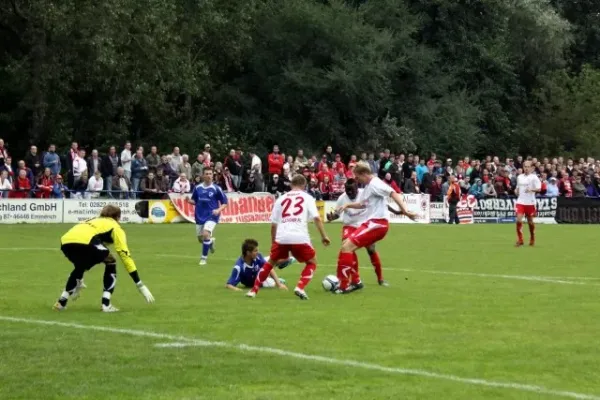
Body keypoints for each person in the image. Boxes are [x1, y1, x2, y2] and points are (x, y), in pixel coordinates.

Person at [53, 205, 155, 312]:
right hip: (86, 242)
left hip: (65, 242)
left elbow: (91, 242)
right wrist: (140, 284)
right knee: (111, 261)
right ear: (118, 217)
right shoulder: (115, 226)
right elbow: (124, 254)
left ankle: (61, 302)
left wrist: (79, 276)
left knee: (81, 267)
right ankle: (106, 304)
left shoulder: (94, 220)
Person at [335, 163, 417, 294]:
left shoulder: (375, 183)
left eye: (357, 177)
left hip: (378, 223)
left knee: (346, 247)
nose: (357, 180)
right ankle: (353, 282)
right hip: (371, 223)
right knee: (346, 245)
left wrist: (405, 211)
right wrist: (347, 205)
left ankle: (344, 286)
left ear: (364, 174)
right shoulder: (368, 187)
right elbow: (362, 204)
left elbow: (394, 194)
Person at [246, 174, 331, 300]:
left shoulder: (281, 198)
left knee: (270, 263)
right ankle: (300, 287)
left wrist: (274, 242)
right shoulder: (307, 197)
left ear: (291, 185)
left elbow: (274, 225)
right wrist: (324, 236)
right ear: (304, 185)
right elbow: (317, 218)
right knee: (312, 262)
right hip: (300, 237)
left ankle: (253, 290)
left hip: (282, 236)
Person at [327, 179, 402, 287]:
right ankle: (355, 279)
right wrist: (331, 217)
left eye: (352, 190)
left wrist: (396, 211)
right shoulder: (342, 198)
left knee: (371, 250)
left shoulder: (365, 194)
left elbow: (383, 204)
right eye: (348, 191)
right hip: (350, 226)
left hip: (365, 225)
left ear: (357, 188)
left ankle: (380, 279)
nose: (350, 193)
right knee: (347, 246)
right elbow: (337, 214)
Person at [187, 168, 228, 265]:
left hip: (212, 216)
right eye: (207, 174)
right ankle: (210, 241)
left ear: (212, 176)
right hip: (199, 216)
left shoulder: (216, 188)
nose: (209, 175)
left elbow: (225, 203)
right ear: (203, 176)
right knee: (201, 239)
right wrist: (188, 201)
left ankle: (203, 258)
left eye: (210, 174)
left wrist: (218, 210)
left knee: (205, 234)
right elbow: (195, 201)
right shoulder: (198, 188)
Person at [226, 239, 295, 291]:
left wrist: (279, 285)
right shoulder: (239, 267)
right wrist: (238, 290)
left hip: (260, 272)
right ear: (248, 253)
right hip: (262, 281)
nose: (257, 252)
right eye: (255, 251)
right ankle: (276, 279)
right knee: (271, 283)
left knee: (278, 259)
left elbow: (269, 267)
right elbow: (229, 284)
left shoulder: (257, 256)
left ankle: (288, 260)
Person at [515, 160, 541, 247]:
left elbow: (539, 189)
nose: (526, 168)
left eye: (528, 166)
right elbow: (517, 188)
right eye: (525, 166)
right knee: (518, 220)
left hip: (530, 202)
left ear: (531, 168)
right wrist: (516, 191)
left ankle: (532, 237)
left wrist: (531, 190)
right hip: (520, 201)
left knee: (530, 222)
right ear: (523, 167)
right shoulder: (519, 177)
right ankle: (520, 240)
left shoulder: (534, 177)